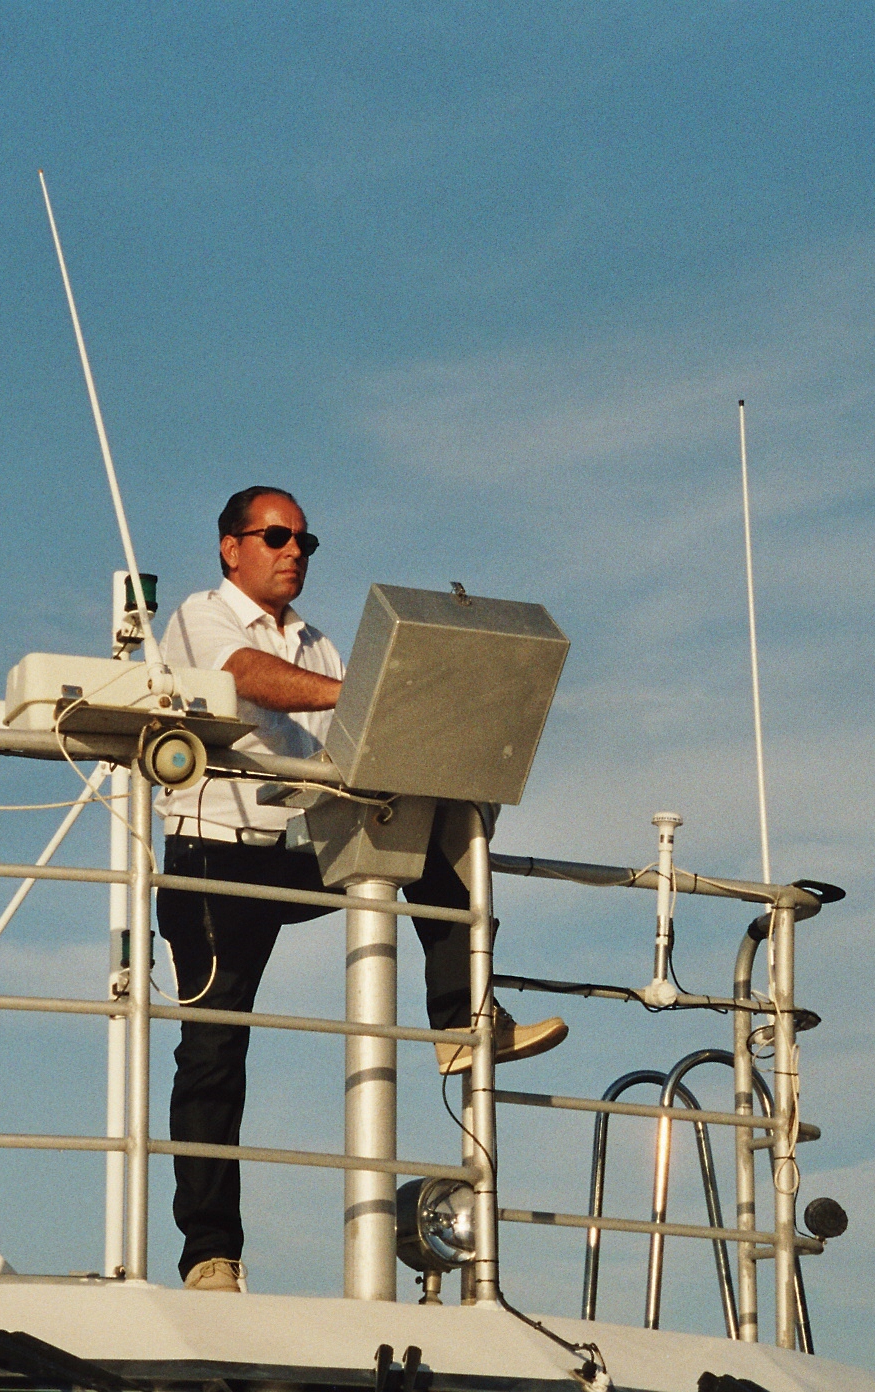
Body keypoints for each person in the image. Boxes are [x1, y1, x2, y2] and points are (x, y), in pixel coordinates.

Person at [154, 485, 568, 1293]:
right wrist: (370, 694)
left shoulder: (321, 643)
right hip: (213, 854)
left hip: (296, 845)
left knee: (441, 809)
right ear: (230, 547)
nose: (293, 554)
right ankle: (210, 1254)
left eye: (306, 543)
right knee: (213, 1052)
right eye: (276, 538)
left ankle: (459, 1017)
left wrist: (425, 727)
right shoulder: (204, 617)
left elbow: (367, 740)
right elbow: (247, 677)